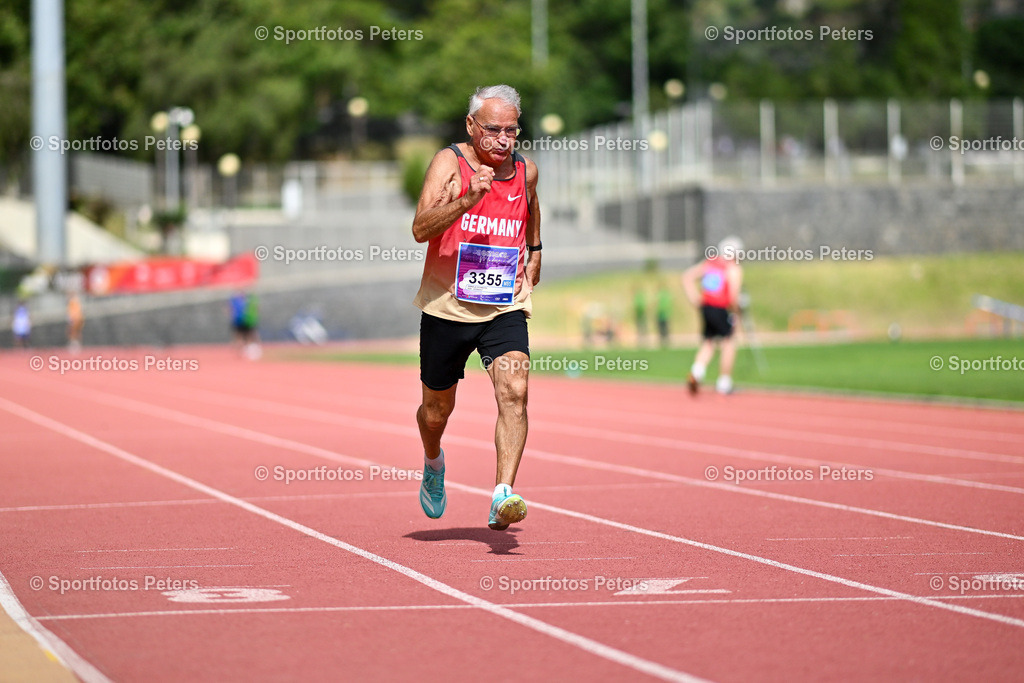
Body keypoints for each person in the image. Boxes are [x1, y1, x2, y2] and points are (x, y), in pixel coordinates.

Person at [411, 84, 541, 530]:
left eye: (512, 130)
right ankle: (433, 461)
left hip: (504, 304)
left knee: (515, 390)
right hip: (447, 305)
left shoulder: (525, 170)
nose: (504, 140)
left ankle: (502, 493)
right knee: (435, 412)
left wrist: (536, 250)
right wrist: (467, 200)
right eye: (493, 129)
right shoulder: (448, 163)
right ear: (471, 125)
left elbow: (532, 207)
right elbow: (420, 229)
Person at [682, 236, 744, 395]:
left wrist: (695, 299)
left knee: (708, 342)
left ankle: (696, 373)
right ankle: (724, 382)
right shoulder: (733, 268)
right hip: (722, 308)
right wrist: (737, 313)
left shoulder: (710, 263)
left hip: (706, 308)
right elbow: (733, 297)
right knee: (728, 343)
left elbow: (687, 277)